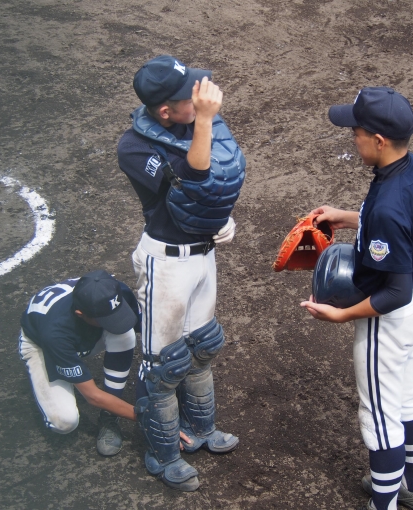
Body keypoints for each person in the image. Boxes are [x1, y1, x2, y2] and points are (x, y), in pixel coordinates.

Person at [301, 87, 413, 510]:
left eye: (356, 132)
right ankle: (412, 487)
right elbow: (397, 225)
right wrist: (346, 217)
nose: (352, 137)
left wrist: (340, 316)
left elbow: (393, 290)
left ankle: (384, 504)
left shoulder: (387, 207)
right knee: (408, 395)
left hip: (390, 314)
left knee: (379, 417)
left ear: (379, 140)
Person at [117, 55, 245, 491]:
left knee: (202, 346)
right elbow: (191, 179)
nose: (199, 95)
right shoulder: (133, 148)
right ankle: (162, 454)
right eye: (187, 95)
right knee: (163, 365)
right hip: (166, 263)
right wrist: (204, 121)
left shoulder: (191, 121)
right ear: (164, 111)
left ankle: (201, 429)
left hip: (203, 255)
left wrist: (220, 219)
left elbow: (214, 189)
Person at [18, 270, 140, 456]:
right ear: (80, 314)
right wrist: (144, 418)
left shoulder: (113, 292)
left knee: (126, 335)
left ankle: (109, 415)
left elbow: (145, 327)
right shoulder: (55, 333)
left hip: (80, 332)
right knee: (64, 422)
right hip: (41, 345)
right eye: (106, 319)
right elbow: (92, 396)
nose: (115, 321)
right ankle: (54, 373)